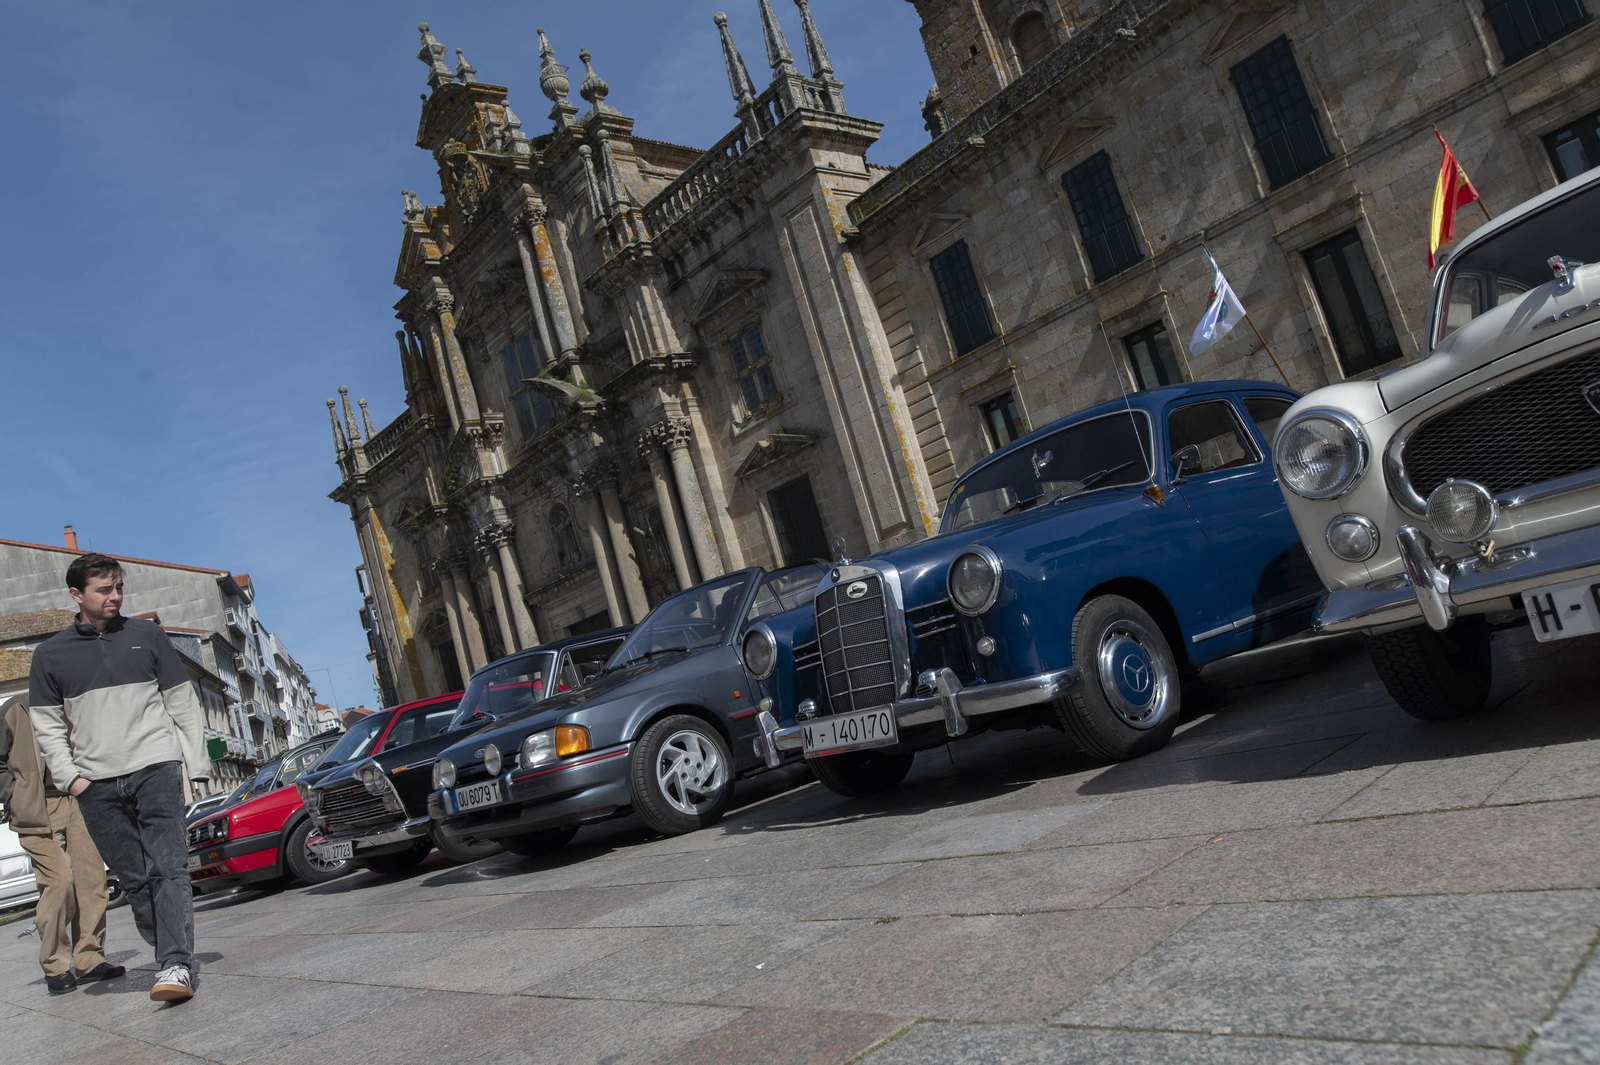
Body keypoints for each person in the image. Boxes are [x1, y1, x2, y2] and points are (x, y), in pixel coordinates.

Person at [27, 553, 211, 1003]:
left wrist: (195, 763)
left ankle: (175, 963)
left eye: (119, 588)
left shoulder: (147, 635)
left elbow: (182, 703)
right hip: (95, 783)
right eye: (104, 590)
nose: (115, 596)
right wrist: (72, 779)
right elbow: (47, 726)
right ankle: (169, 952)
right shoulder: (49, 655)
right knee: (134, 878)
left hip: (156, 766)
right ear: (77, 595)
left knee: (168, 868)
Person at [0, 695, 126, 995]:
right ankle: (55, 966)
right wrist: (14, 795)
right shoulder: (14, 709)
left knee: (91, 881)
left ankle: (90, 960)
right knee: (59, 881)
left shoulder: (77, 701)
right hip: (36, 807)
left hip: (79, 798)